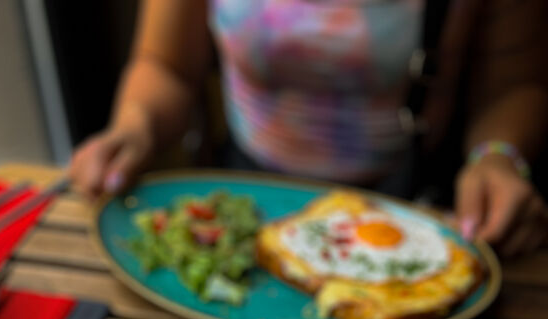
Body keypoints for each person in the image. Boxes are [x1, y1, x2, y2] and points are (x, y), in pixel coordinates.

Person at [70, 0, 548, 258]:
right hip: (247, 206)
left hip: (412, 209)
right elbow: (165, 65)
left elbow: (515, 86)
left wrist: (498, 157)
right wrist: (135, 127)